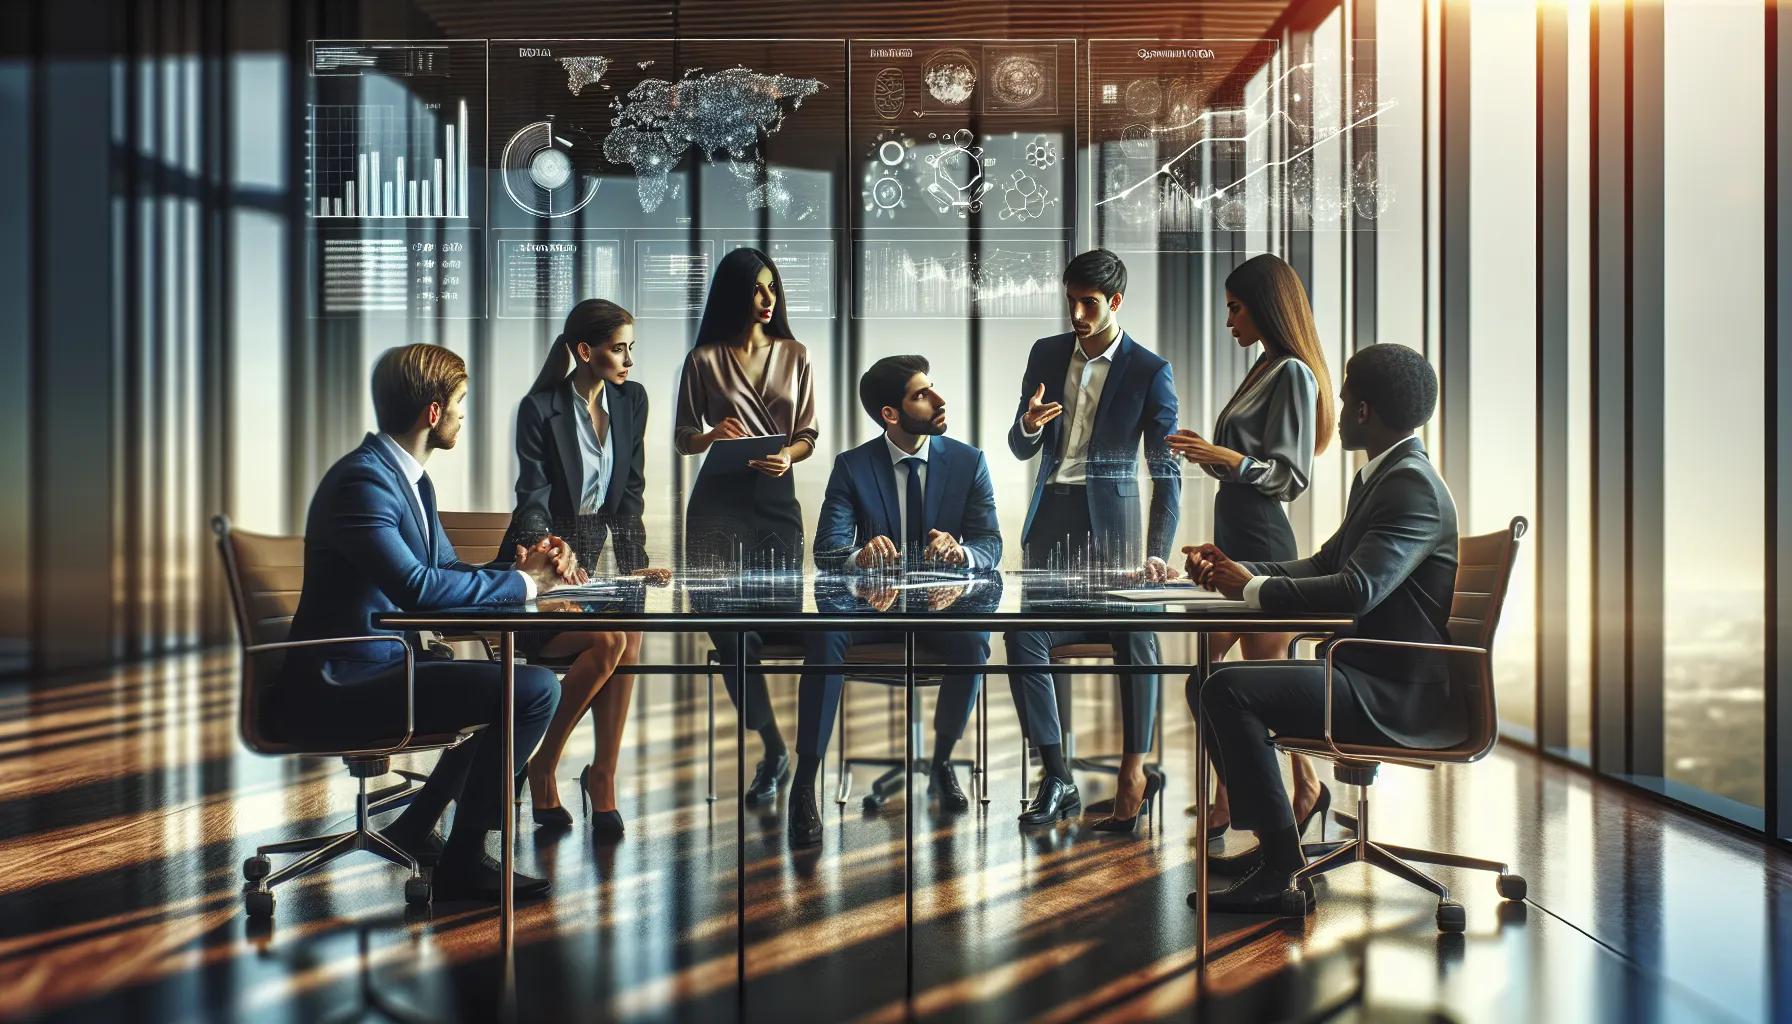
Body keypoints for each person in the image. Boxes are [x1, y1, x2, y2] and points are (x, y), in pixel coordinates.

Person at [277, 343, 570, 902]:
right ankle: (464, 861)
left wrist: (520, 572)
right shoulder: (363, 483)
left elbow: (444, 571)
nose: (464, 413)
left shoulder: (409, 479)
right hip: (341, 683)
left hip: (387, 667)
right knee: (532, 689)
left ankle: (417, 824)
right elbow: (418, 590)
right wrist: (527, 586)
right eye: (461, 402)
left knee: (499, 688)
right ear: (434, 412)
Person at [1184, 343, 1460, 916]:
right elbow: (1321, 564)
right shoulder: (1382, 478)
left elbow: (1357, 588)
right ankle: (1277, 852)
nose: (1337, 400)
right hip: (1366, 670)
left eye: (1345, 392)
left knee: (1225, 688)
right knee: (1214, 683)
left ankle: (1280, 866)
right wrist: (1238, 571)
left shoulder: (1411, 487)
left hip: (1394, 692)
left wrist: (1249, 589)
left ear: (1363, 411)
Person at [788, 356, 1001, 850]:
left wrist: (962, 550)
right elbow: (827, 550)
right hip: (872, 609)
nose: (939, 400)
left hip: (942, 607)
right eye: (922, 394)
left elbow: (991, 545)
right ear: (890, 413)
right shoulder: (852, 466)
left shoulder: (969, 462)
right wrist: (858, 554)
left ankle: (943, 760)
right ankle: (804, 784)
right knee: (824, 635)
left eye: (933, 389)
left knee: (975, 640)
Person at [1003, 248, 1181, 831]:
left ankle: (1134, 769)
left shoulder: (1150, 371)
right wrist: (1029, 424)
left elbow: (1166, 471)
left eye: (1090, 303)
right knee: (1025, 638)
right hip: (1050, 527)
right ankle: (1056, 776)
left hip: (1116, 542)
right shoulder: (1044, 355)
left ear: (1115, 303)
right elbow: (1022, 446)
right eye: (1071, 300)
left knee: (1136, 634)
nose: (1077, 313)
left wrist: (1157, 550)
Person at [1166, 253, 1336, 842]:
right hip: (1237, 534)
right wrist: (1212, 455)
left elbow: (1290, 477)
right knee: (1213, 674)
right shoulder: (1264, 367)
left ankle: (1270, 796)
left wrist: (1227, 458)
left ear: (1264, 306)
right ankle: (1256, 792)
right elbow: (1245, 468)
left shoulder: (1291, 372)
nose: (1230, 319)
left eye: (1236, 307)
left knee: (1245, 682)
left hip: (1263, 541)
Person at [512, 299, 670, 840]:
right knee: (605, 643)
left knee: (632, 631)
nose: (629, 360)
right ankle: (542, 764)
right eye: (618, 349)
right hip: (541, 559)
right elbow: (531, 498)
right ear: (585, 351)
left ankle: (602, 776)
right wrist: (548, 551)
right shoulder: (539, 408)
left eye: (631, 349)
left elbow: (629, 494)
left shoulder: (632, 401)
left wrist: (637, 569)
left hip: (598, 553)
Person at [674, 247, 819, 806]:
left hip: (776, 498)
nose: (767, 299)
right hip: (717, 502)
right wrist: (712, 438)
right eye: (756, 289)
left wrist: (790, 457)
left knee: (777, 620)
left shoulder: (795, 352)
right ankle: (773, 746)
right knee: (728, 630)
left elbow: (807, 431)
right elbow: (684, 436)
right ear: (734, 294)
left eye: (773, 288)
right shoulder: (703, 359)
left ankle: (799, 762)